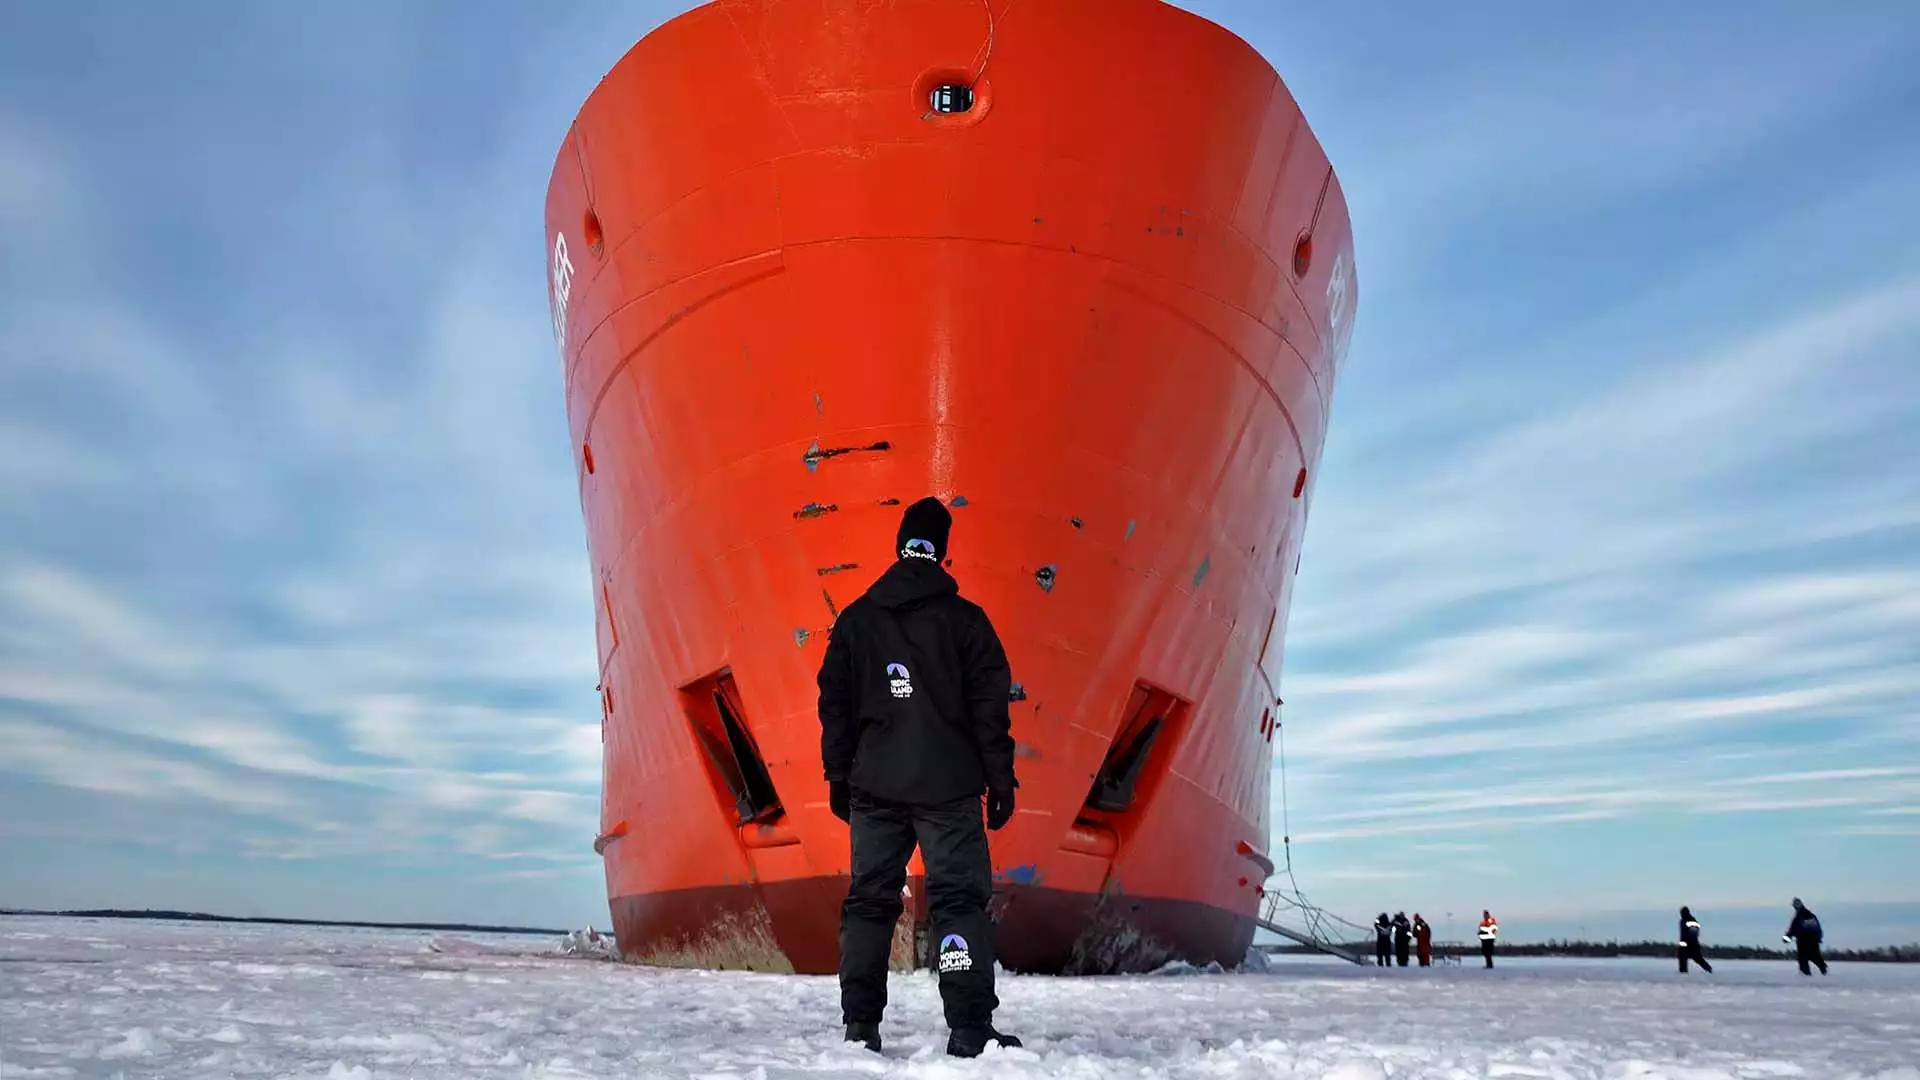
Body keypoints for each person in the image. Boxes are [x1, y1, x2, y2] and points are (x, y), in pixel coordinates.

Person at [817, 497, 1023, 1057]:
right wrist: (1000, 781)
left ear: (901, 545)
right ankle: (968, 1028)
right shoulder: (967, 622)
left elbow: (833, 702)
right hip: (948, 788)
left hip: (875, 787)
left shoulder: (856, 620)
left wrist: (838, 774)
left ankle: (860, 1026)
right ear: (943, 553)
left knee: (869, 902)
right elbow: (990, 710)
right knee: (959, 901)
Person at [1783, 898, 1828, 976]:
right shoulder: (1811, 915)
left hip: (1803, 941)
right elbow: (1818, 928)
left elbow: (1793, 929)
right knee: (1814, 956)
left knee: (1803, 959)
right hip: (1814, 941)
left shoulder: (1799, 917)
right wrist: (1819, 938)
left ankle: (1806, 976)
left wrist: (1787, 937)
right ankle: (1824, 970)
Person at [1677, 906, 1713, 974]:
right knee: (1682, 958)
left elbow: (1694, 933)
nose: (1681, 914)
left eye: (1682, 913)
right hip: (1683, 944)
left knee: (1697, 958)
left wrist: (1689, 941)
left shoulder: (1692, 920)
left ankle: (1709, 970)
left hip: (1692, 944)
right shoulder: (1682, 921)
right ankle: (1683, 973)